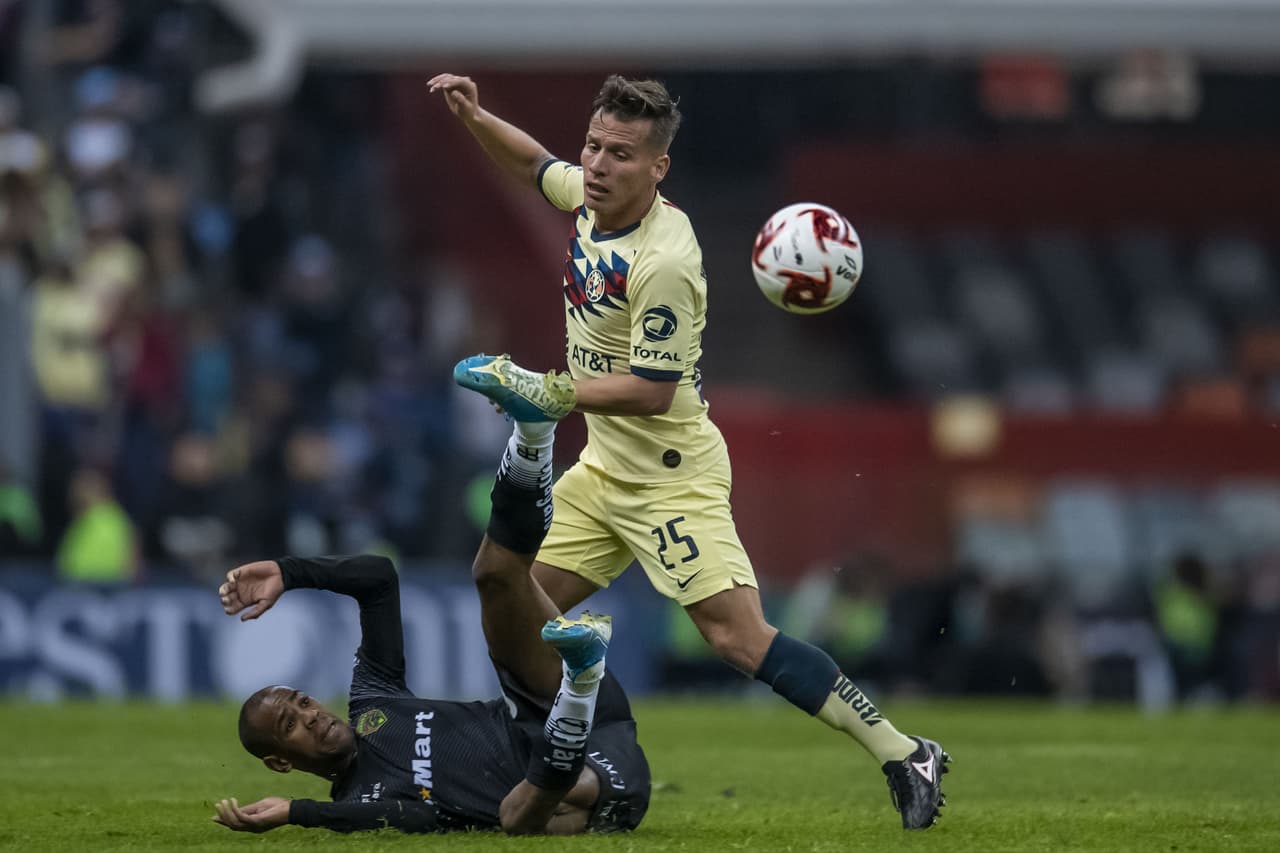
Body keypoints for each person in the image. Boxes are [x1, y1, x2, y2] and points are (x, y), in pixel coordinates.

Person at [429, 71, 949, 829]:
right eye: (596, 147)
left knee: (737, 637)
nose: (599, 165)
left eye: (621, 155)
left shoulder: (665, 258)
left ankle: (904, 750)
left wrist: (551, 389)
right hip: (604, 468)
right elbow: (536, 164)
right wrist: (476, 117)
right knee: (506, 605)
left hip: (669, 477)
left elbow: (651, 389)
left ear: (658, 167)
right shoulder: (590, 197)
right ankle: (552, 752)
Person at [210, 424, 650, 835]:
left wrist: (289, 573)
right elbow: (413, 816)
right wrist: (298, 811)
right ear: (280, 763)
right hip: (598, 784)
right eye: (291, 724)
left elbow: (379, 578)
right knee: (516, 815)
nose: (311, 716)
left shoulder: (371, 699)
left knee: (494, 577)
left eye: (303, 702)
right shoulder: (363, 798)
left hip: (577, 713)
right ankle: (577, 695)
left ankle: (531, 439)